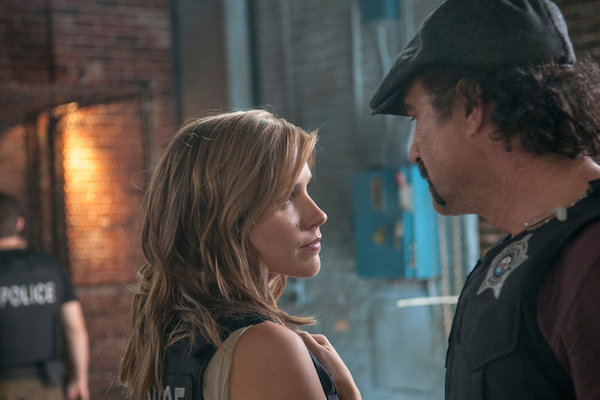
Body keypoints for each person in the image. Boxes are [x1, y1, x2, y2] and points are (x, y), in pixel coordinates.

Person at [370, 0, 600, 399]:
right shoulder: (530, 247)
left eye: (417, 118)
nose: (413, 150)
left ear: (472, 106)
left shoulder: (590, 259)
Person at [118, 110, 361, 400]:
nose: (319, 215)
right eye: (287, 198)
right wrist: (348, 391)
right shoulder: (269, 348)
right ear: (227, 218)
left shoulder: (164, 338)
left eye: (307, 189)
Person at [0, 193, 90, 400]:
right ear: (20, 223)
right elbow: (75, 329)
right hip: (45, 384)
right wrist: (80, 380)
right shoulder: (50, 267)